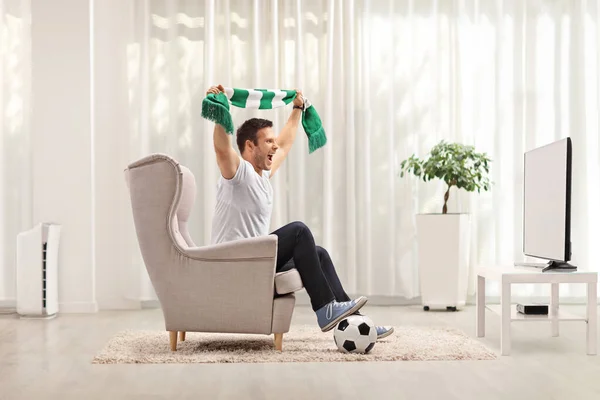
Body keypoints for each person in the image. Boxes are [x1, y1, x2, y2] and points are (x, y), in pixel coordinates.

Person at [207, 84, 393, 338]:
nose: (275, 146)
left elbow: (286, 143)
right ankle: (325, 308)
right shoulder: (238, 174)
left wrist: (296, 108)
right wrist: (220, 109)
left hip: (254, 259)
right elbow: (221, 148)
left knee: (319, 254)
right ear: (250, 146)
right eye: (268, 142)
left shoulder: (262, 177)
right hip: (234, 263)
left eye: (273, 141)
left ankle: (358, 324)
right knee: (298, 232)